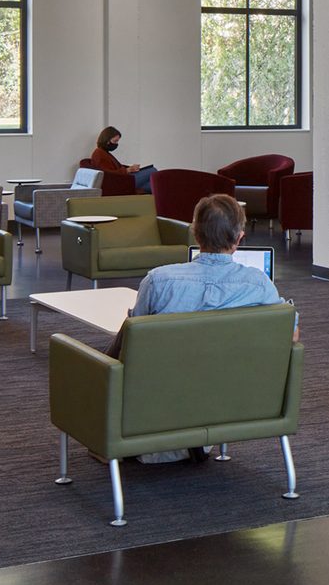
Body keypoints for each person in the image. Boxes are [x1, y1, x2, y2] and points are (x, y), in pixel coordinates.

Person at [110, 192, 289, 462]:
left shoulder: (159, 280)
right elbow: (289, 333)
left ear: (195, 233)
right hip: (231, 399)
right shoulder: (259, 284)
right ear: (239, 238)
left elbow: (135, 344)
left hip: (159, 401)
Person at [88, 125, 156, 194]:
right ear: (107, 140)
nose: (116, 144)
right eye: (115, 141)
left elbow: (116, 167)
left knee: (153, 184)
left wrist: (130, 168)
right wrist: (127, 170)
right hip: (119, 182)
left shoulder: (104, 152)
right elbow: (107, 174)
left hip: (121, 178)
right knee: (153, 171)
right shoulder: (99, 154)